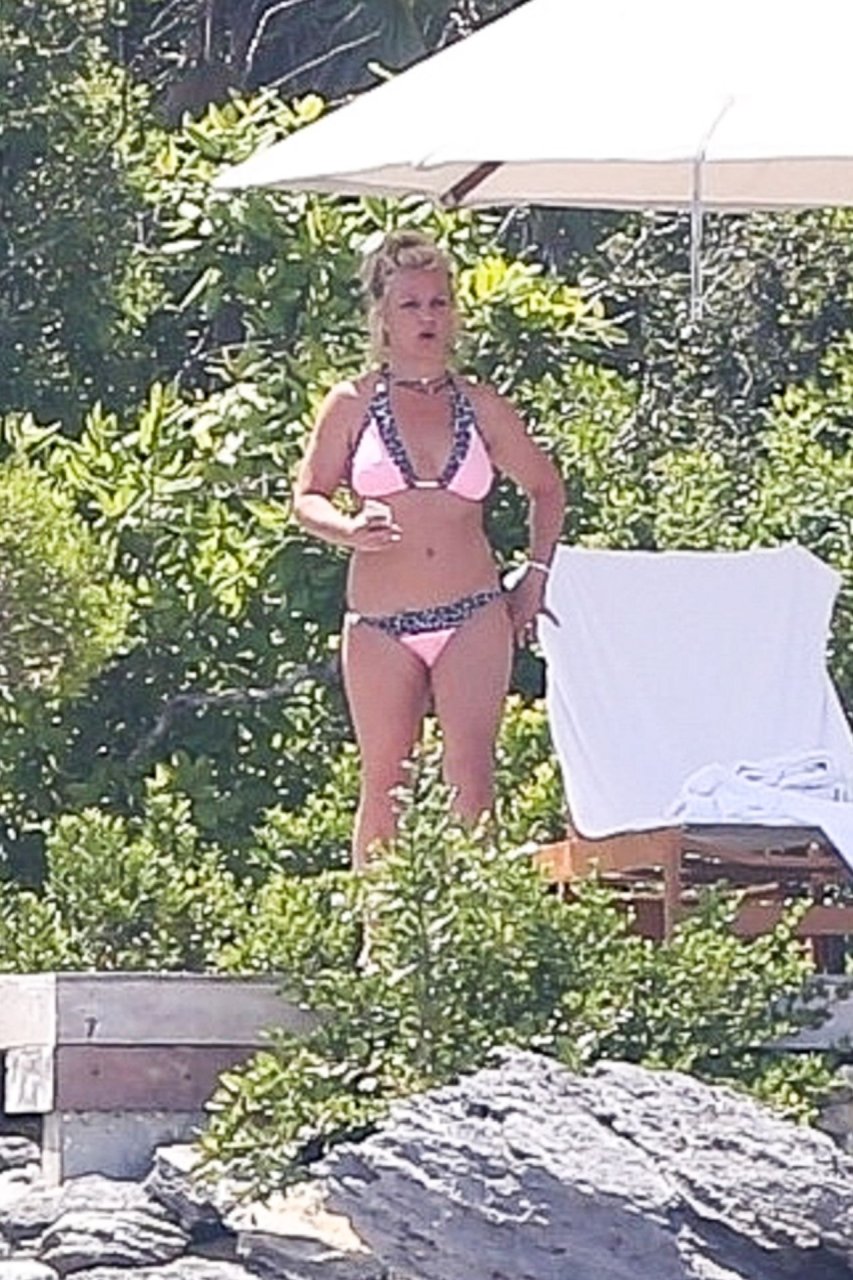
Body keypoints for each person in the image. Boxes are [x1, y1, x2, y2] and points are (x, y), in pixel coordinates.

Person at [293, 229, 565, 867]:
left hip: (471, 612)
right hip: (380, 621)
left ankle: (475, 916)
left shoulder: (482, 406)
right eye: (411, 305)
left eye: (439, 303)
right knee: (386, 783)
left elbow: (547, 488)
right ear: (382, 318)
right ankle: (377, 921)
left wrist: (535, 575)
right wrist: (346, 529)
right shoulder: (351, 404)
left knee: (471, 779)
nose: (427, 318)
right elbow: (307, 498)